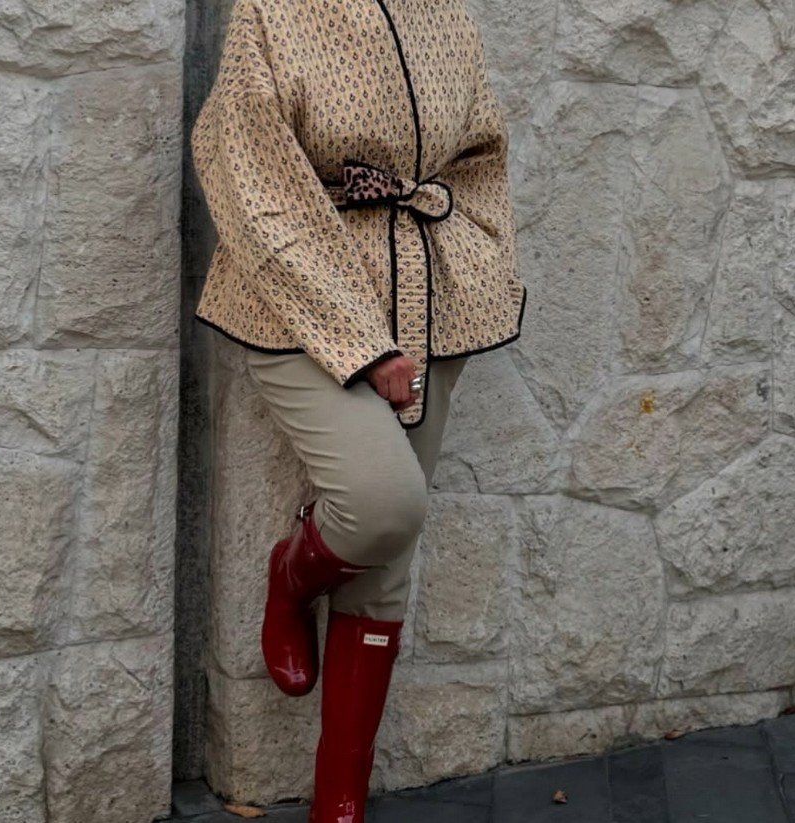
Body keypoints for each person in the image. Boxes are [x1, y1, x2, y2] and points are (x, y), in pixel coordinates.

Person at [190, 0, 527, 819]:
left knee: (385, 570)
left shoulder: (447, 13)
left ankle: (338, 800)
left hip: (435, 309)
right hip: (296, 312)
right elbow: (249, 179)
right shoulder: (272, 14)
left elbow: (483, 155)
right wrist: (361, 343)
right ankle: (290, 576)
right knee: (383, 506)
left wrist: (480, 260)